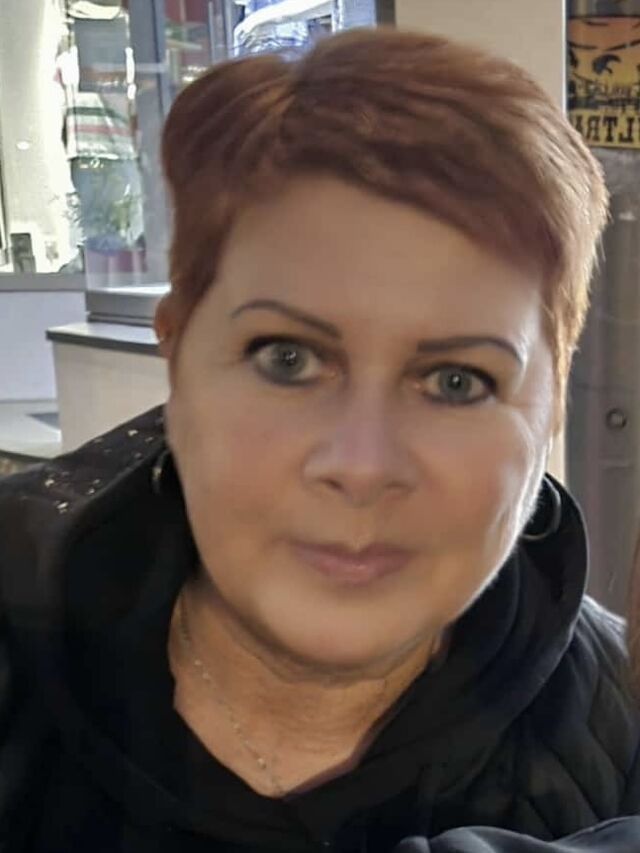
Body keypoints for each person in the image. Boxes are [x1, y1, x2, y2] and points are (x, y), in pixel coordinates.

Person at [1, 27, 640, 852]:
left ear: (553, 406)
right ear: (178, 354)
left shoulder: (619, 728)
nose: (361, 464)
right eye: (288, 358)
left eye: (457, 380)